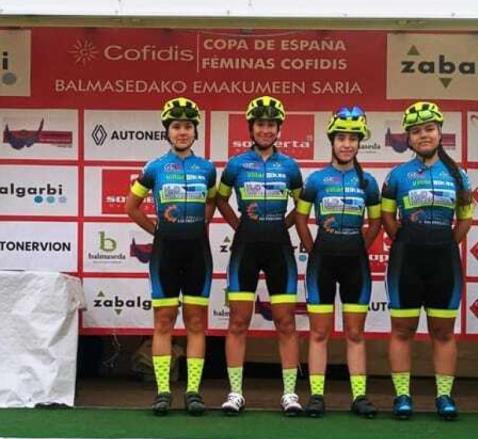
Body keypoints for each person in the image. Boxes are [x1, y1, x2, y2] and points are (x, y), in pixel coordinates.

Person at [380, 101, 473, 421]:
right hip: (407, 257)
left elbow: (464, 220)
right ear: (407, 137)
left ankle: (444, 396)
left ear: (439, 132)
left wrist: (444, 243)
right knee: (402, 329)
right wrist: (409, 240)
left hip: (443, 259)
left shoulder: (458, 175)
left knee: (443, 331)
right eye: (416, 131)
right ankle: (402, 395)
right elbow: (388, 218)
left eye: (429, 129)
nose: (423, 136)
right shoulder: (397, 175)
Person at [213, 96, 304, 415]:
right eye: (260, 124)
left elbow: (302, 208)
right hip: (245, 248)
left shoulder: (290, 166)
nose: (266, 129)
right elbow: (221, 200)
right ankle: (235, 392)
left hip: (280, 247)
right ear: (251, 128)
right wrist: (241, 225)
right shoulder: (236, 164)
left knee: (286, 322)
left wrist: (284, 225)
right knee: (238, 321)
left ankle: (290, 393)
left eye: (271, 124)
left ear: (279, 128)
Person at [126, 97, 217, 416]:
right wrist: (158, 232)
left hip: (197, 252)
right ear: (168, 131)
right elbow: (131, 207)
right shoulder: (154, 168)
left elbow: (211, 203)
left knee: (195, 322)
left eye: (188, 127)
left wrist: (199, 225)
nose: (182, 132)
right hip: (166, 251)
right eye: (176, 127)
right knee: (163, 322)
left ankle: (193, 391)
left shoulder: (207, 168)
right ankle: (163, 391)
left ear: (195, 131)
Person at [295, 106, 381, 418]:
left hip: (355, 264)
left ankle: (359, 396)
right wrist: (314, 249)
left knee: (356, 333)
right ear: (331, 141)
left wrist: (359, 246)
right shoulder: (316, 180)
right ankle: (317, 395)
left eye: (353, 139)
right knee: (319, 332)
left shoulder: (368, 182)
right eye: (341, 138)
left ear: (360, 143)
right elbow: (302, 219)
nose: (347, 144)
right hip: (322, 263)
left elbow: (376, 223)